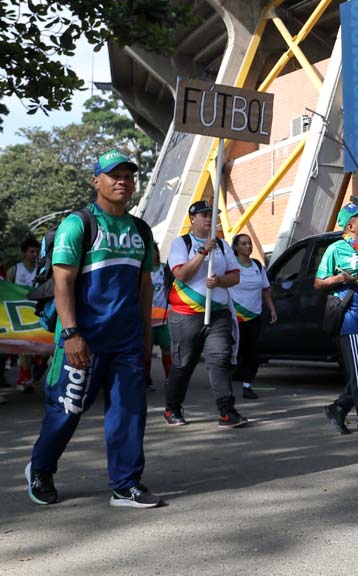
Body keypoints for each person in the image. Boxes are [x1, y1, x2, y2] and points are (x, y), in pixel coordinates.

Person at [27, 151, 160, 507]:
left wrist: (147, 340)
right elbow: (63, 284)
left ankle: (125, 484)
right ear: (96, 181)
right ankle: (40, 468)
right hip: (82, 339)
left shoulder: (140, 230)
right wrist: (71, 334)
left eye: (128, 176)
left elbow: (144, 288)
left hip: (127, 341)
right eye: (113, 175)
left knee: (129, 412)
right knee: (67, 410)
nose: (122, 181)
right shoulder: (79, 224)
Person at [164, 201, 247, 428]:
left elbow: (235, 276)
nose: (209, 219)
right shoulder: (181, 243)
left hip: (218, 313)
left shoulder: (222, 245)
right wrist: (202, 252)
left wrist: (219, 280)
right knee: (183, 364)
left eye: (212, 215)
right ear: (193, 219)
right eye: (204, 215)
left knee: (219, 359)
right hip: (185, 315)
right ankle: (172, 408)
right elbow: (181, 274)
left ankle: (227, 411)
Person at [317, 202, 358, 442]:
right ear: (350, 225)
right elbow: (318, 282)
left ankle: (338, 407)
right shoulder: (336, 249)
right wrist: (338, 278)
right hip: (351, 321)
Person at [230, 234, 277, 399]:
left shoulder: (257, 265)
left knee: (252, 353)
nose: (248, 246)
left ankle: (247, 386)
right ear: (236, 247)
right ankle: (225, 386)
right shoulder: (230, 265)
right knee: (235, 351)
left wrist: (271, 308)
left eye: (249, 243)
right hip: (234, 316)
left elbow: (265, 289)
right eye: (244, 244)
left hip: (255, 315)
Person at [10, 236, 42, 392]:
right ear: (24, 253)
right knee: (26, 348)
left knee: (42, 349)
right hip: (19, 316)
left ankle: (32, 375)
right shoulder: (14, 270)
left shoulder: (42, 268)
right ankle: (24, 378)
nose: (35, 254)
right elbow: (6, 292)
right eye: (31, 251)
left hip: (38, 313)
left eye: (37, 251)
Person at [146, 243, 173, 392]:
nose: (151, 255)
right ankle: (147, 379)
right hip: (147, 317)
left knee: (167, 348)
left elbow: (173, 287)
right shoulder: (142, 271)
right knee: (146, 350)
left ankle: (169, 378)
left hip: (164, 317)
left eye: (153, 251)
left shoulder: (165, 269)